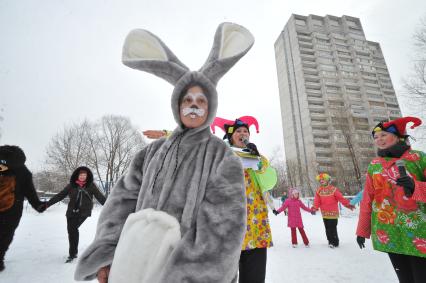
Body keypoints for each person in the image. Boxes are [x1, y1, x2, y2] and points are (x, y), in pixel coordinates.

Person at [74, 22, 254, 283]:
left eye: (201, 100)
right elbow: (121, 202)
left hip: (179, 271)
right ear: (177, 106)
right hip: (129, 266)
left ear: (210, 108)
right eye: (187, 100)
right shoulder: (150, 153)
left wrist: (190, 274)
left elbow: (223, 225)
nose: (193, 106)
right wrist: (107, 254)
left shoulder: (222, 157)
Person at [356, 116, 426, 283]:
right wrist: (362, 230)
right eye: (376, 137)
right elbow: (368, 199)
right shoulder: (374, 165)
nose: (379, 140)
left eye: (383, 135)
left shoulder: (419, 158)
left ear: (398, 136)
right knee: (405, 279)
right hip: (389, 232)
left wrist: (415, 186)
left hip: (419, 232)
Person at [212, 116, 277, 283]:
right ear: (230, 136)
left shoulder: (256, 157)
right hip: (228, 230)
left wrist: (261, 164)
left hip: (255, 229)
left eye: (246, 132)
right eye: (238, 131)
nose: (243, 134)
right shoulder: (219, 155)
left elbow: (270, 183)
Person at [45, 166, 106, 263]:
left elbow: (100, 198)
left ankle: (72, 254)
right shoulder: (71, 185)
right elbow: (60, 195)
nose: (82, 177)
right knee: (71, 231)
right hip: (71, 212)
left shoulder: (91, 185)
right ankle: (74, 253)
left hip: (83, 212)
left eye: (84, 175)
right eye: (81, 175)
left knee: (73, 229)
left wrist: (112, 206)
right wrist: (47, 204)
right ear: (77, 176)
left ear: (87, 176)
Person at [0, 145, 46, 271]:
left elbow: (29, 191)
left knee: (5, 236)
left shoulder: (23, 173)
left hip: (12, 212)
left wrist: (38, 204)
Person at [312, 173, 355, 248]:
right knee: (327, 228)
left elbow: (341, 198)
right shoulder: (319, 191)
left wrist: (348, 204)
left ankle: (335, 242)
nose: (322, 181)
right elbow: (317, 201)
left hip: (333, 213)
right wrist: (314, 208)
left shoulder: (333, 189)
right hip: (324, 213)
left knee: (333, 227)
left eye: (323, 179)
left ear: (327, 180)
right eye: (320, 180)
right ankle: (330, 241)